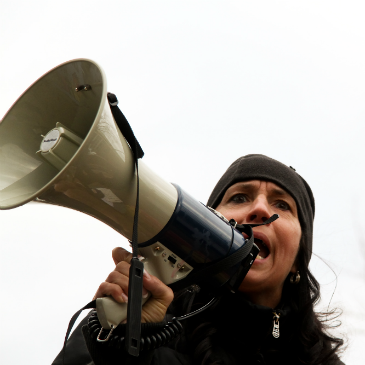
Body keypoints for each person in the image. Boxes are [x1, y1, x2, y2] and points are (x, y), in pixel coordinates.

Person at [53, 154, 345, 365]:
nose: (258, 209)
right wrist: (123, 344)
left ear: (297, 261)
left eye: (281, 205)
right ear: (206, 225)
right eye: (239, 198)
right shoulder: (135, 318)